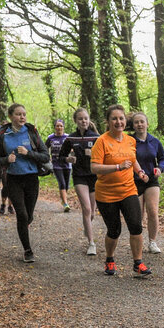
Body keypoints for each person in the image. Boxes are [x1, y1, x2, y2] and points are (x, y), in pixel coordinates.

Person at [89, 105, 152, 277]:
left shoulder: (130, 140)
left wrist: (139, 172)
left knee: (136, 225)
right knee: (114, 230)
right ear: (108, 122)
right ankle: (110, 259)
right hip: (106, 194)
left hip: (128, 190)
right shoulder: (101, 141)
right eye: (114, 119)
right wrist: (117, 167)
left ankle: (138, 263)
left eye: (121, 118)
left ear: (126, 121)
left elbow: (132, 160)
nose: (119, 122)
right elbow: (94, 168)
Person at [0, 103, 50, 263]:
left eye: (24, 114)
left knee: (29, 216)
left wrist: (29, 153)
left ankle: (23, 227)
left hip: (32, 178)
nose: (22, 117)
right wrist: (7, 159)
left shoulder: (31, 131)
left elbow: (45, 156)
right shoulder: (2, 134)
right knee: (22, 214)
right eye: (18, 114)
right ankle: (27, 250)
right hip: (13, 179)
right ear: (11, 116)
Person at [61, 108, 100, 255]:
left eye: (85, 118)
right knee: (87, 209)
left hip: (94, 176)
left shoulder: (97, 137)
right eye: (80, 119)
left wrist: (93, 154)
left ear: (89, 120)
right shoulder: (71, 138)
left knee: (92, 213)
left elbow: (105, 156)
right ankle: (91, 243)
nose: (83, 121)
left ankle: (87, 226)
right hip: (79, 176)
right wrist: (68, 159)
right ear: (75, 121)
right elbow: (60, 156)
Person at [130, 112, 164, 254]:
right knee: (138, 215)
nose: (139, 124)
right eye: (136, 122)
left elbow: (163, 159)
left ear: (147, 124)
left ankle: (152, 242)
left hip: (151, 180)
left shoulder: (155, 142)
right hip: (135, 181)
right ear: (133, 125)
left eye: (142, 122)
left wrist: (160, 168)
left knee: (153, 211)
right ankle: (138, 241)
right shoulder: (129, 141)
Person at [46, 119, 71, 212]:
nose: (59, 127)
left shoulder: (68, 137)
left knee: (67, 185)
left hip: (67, 164)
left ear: (63, 127)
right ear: (55, 127)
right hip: (56, 164)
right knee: (62, 183)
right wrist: (48, 158)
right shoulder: (51, 138)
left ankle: (63, 200)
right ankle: (65, 203)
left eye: (61, 126)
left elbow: (74, 148)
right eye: (57, 126)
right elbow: (45, 148)